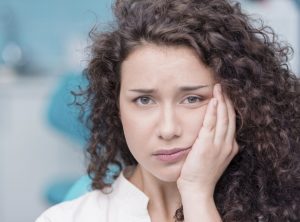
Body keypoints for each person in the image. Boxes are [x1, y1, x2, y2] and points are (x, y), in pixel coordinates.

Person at [36, 0, 300, 221]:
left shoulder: (277, 210)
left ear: (237, 100)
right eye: (144, 101)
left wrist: (197, 194)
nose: (168, 129)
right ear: (116, 107)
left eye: (192, 98)